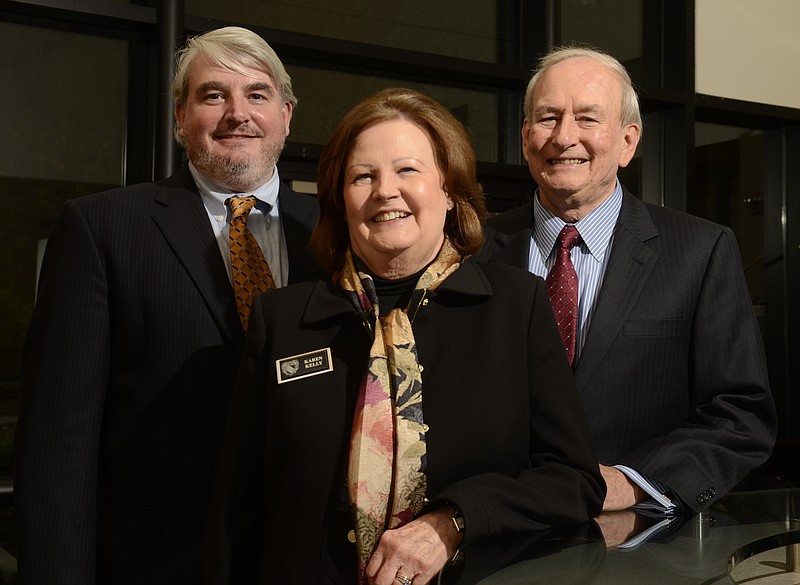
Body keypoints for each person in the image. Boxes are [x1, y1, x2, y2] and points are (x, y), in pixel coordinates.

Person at [204, 87, 605, 585]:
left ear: (450, 190)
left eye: (407, 170)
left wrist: (453, 521)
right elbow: (237, 511)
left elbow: (574, 482)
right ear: (340, 200)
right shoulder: (283, 320)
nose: (384, 190)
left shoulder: (515, 307)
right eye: (362, 176)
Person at [14, 26, 321, 585]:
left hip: (299, 560)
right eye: (212, 95)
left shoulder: (333, 236)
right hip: (155, 565)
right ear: (180, 117)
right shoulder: (102, 229)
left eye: (257, 93)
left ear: (287, 114)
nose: (238, 113)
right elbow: (56, 446)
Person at [475, 46, 776, 514]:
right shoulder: (472, 252)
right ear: (525, 137)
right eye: (548, 117)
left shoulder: (699, 251)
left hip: (638, 539)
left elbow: (739, 414)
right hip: (497, 527)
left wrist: (632, 482)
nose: (564, 136)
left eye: (588, 119)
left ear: (628, 142)